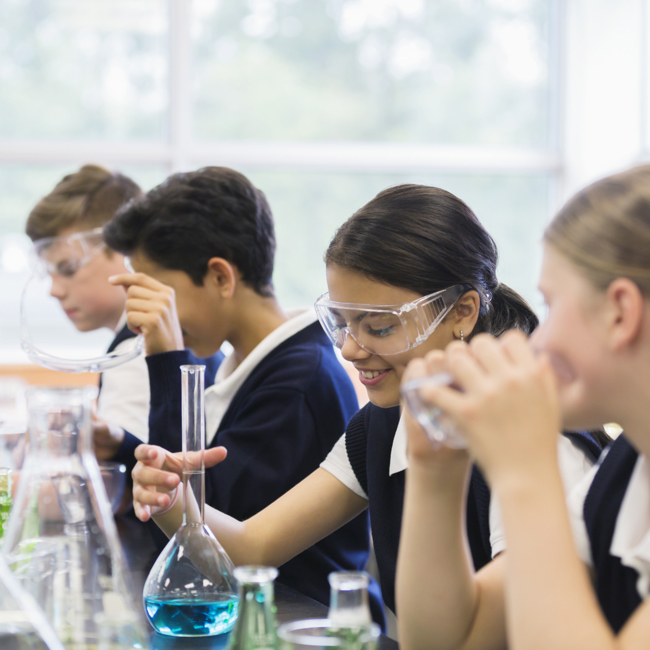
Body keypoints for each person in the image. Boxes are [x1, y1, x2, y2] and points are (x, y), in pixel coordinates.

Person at [129, 184, 595, 621]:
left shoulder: (537, 440)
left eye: (380, 327)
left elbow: (502, 630)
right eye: (343, 324)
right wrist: (176, 500)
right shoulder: (381, 425)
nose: (351, 349)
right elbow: (253, 546)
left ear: (462, 312)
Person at [396, 165, 650, 650]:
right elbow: (446, 642)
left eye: (551, 306)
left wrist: (524, 472)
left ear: (621, 311)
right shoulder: (625, 472)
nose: (539, 339)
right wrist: (436, 470)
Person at [101, 166, 374, 614]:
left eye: (160, 291)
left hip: (299, 623)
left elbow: (196, 548)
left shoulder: (297, 381)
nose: (145, 313)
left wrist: (168, 360)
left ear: (221, 277)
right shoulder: (248, 364)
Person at [25, 164, 150, 450]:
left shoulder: (136, 355)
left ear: (125, 251)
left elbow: (113, 475)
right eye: (49, 273)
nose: (54, 290)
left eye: (68, 268)